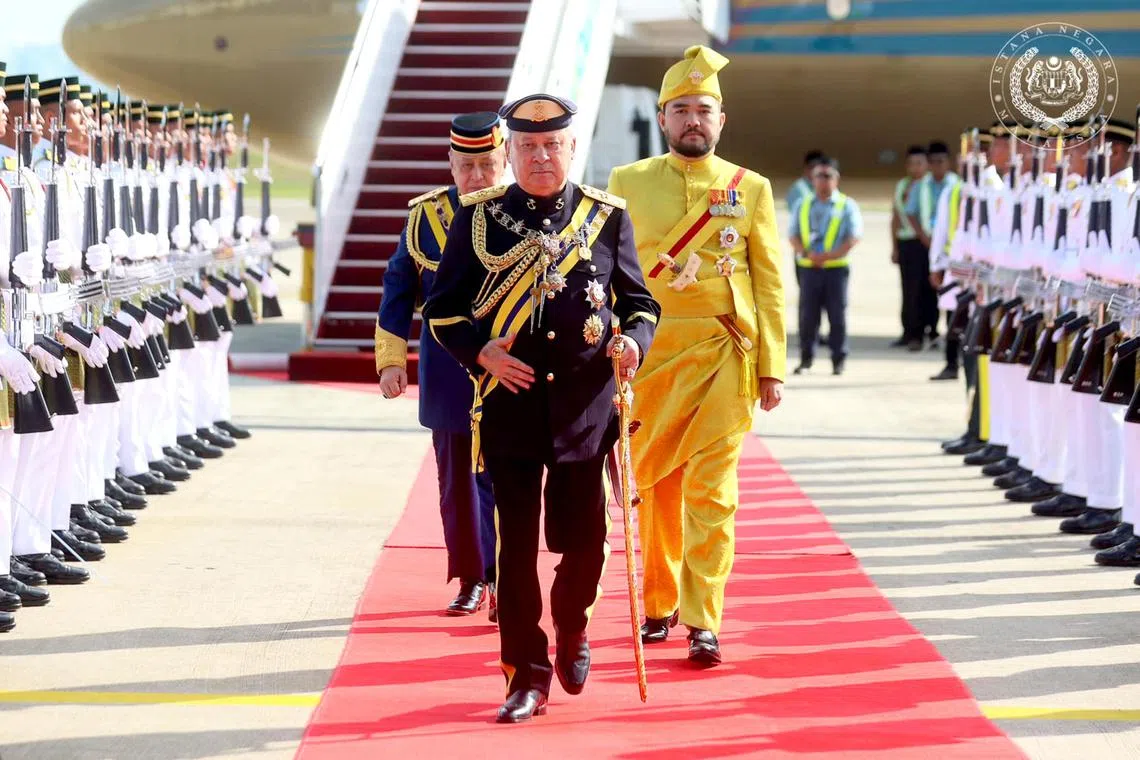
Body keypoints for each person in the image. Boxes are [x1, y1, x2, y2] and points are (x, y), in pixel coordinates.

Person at [424, 94, 659, 723]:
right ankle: (524, 675)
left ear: (572, 148)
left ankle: (573, 626)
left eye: (551, 145)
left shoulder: (605, 218)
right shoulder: (481, 221)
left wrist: (632, 343)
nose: (540, 156)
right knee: (517, 547)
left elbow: (640, 303)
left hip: (585, 408)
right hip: (511, 407)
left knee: (583, 543)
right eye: (526, 147)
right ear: (510, 152)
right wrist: (483, 357)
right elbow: (442, 310)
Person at [607, 45, 785, 667]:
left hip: (721, 358)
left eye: (703, 109)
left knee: (713, 495)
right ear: (661, 117)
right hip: (651, 357)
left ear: (721, 119)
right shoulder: (627, 183)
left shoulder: (751, 188)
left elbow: (768, 282)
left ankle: (703, 620)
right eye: (680, 109)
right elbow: (612, 274)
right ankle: (658, 605)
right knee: (655, 488)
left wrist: (771, 365)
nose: (693, 120)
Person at [376, 112, 506, 618]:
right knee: (456, 480)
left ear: (504, 161)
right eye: (467, 166)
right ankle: (472, 578)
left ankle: (504, 577)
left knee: (505, 476)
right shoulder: (425, 218)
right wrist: (391, 360)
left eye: (488, 165)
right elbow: (398, 288)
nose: (477, 177)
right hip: (448, 368)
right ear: (451, 164)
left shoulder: (524, 213)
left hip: (508, 368)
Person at [789, 157, 862, 375]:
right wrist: (807, 253)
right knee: (807, 317)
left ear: (836, 179)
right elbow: (792, 235)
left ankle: (838, 359)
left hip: (835, 270)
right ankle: (806, 359)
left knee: (836, 316)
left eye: (827, 176)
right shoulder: (803, 205)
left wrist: (829, 256)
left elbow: (854, 237)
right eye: (818, 176)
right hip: (809, 269)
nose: (823, 181)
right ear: (812, 179)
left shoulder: (846, 205)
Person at [892, 145, 934, 350]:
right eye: (911, 163)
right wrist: (894, 247)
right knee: (908, 288)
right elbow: (896, 216)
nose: (915, 168)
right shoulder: (903, 185)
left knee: (924, 289)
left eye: (920, 163)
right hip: (906, 241)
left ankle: (926, 330)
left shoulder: (929, 184)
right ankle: (908, 330)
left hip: (924, 241)